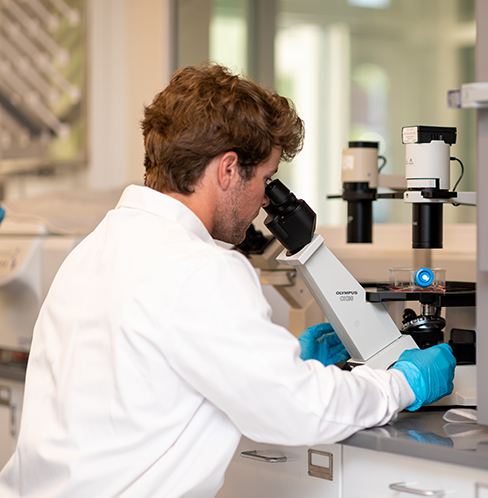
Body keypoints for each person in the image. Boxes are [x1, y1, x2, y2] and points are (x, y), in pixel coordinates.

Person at [0, 62, 455, 498]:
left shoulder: (95, 248)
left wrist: (282, 363)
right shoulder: (201, 267)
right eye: (266, 178)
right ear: (227, 169)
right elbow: (300, 411)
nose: (264, 199)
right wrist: (402, 384)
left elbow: (138, 385)